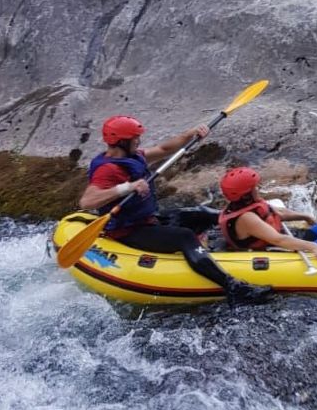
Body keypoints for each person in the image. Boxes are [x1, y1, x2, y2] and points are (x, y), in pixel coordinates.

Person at [79, 115, 270, 308]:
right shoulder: (108, 169)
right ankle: (234, 288)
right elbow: (87, 201)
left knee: (202, 213)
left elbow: (164, 149)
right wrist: (126, 188)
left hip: (148, 219)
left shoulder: (132, 156)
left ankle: (263, 227)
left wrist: (191, 134)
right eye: (135, 138)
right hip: (128, 231)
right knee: (184, 236)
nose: (138, 141)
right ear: (122, 142)